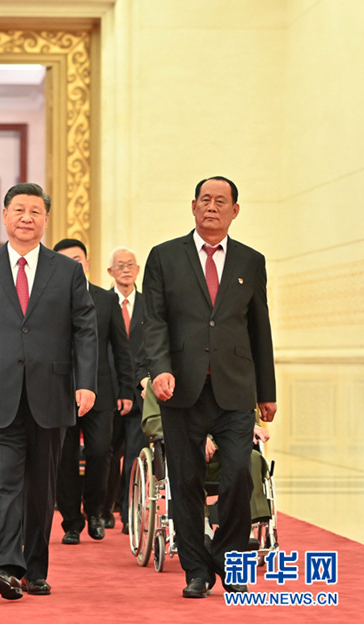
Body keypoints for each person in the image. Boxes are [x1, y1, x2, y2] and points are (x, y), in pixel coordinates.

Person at [0, 183, 97, 600]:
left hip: (51, 392)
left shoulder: (67, 270)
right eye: (18, 209)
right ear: (4, 215)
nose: (26, 217)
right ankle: (4, 566)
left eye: (35, 211)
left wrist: (86, 383)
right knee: (3, 481)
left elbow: (84, 330)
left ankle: (35, 570)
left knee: (41, 487)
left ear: (46, 219)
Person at [143, 176, 277, 598]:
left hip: (235, 390)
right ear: (193, 206)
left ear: (235, 211)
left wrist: (267, 391)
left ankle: (229, 559)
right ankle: (196, 571)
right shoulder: (164, 256)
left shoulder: (251, 261)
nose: (212, 207)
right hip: (181, 391)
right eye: (205, 199)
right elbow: (154, 321)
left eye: (221, 201)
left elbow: (259, 328)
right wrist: (159, 369)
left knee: (238, 474)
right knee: (186, 482)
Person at [52, 239, 134, 546]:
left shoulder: (105, 299)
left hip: (100, 390)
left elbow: (121, 348)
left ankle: (96, 511)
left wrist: (126, 388)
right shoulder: (48, 299)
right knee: (64, 458)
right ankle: (71, 521)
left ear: (86, 263)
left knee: (101, 452)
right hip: (59, 391)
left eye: (77, 259)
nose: (72, 265)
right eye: (64, 260)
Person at [102, 246, 147, 534]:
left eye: (131, 264)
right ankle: (103, 509)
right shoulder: (102, 303)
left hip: (140, 395)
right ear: (110, 271)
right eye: (120, 265)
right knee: (105, 455)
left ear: (138, 270)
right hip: (109, 393)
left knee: (134, 456)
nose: (126, 270)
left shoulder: (149, 305)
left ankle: (130, 514)